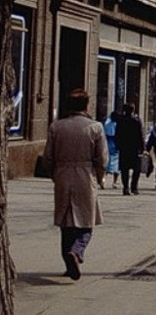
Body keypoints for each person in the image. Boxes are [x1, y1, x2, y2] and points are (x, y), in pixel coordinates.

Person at [43, 88, 108, 280]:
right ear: (86, 105)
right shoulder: (94, 127)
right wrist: (100, 175)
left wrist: (54, 174)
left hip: (63, 174)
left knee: (66, 221)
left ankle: (68, 259)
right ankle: (77, 252)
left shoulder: (57, 127)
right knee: (86, 223)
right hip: (85, 175)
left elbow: (48, 157)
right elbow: (102, 158)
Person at [115, 103, 144, 195]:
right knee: (137, 168)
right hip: (134, 148)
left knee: (124, 169)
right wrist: (143, 148)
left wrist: (118, 145)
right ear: (133, 110)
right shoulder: (136, 121)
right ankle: (134, 187)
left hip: (124, 148)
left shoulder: (120, 121)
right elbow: (140, 135)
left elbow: (117, 134)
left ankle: (125, 187)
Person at [103, 112, 119, 189]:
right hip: (116, 144)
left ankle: (103, 180)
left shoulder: (107, 125)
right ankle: (114, 182)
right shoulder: (118, 125)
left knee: (106, 163)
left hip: (108, 144)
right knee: (117, 164)